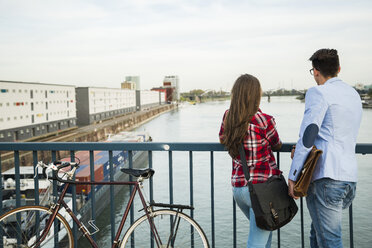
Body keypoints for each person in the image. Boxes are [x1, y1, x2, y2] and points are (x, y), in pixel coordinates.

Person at [288, 49, 362, 248]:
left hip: (327, 178)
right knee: (318, 234)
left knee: (330, 242)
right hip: (348, 178)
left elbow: (308, 135)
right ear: (338, 69)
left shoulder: (318, 92)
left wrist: (293, 176)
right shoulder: (353, 94)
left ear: (315, 71)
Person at [219, 74, 282, 248]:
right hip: (262, 190)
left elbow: (222, 139)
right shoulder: (264, 120)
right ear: (256, 95)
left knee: (264, 233)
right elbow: (277, 144)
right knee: (256, 243)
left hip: (239, 188)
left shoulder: (228, 117)